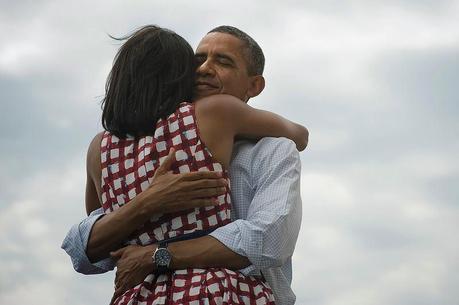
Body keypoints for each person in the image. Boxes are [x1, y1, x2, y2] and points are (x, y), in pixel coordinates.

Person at [62, 25, 306, 305]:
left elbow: (269, 240)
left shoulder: (101, 148)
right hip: (217, 292)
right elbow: (89, 246)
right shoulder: (210, 117)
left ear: (254, 85)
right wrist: (149, 201)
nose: (203, 69)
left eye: (223, 61)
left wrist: (155, 253)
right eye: (197, 61)